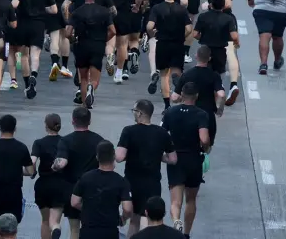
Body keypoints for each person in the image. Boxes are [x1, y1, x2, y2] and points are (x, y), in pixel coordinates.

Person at [115, 99, 176, 237]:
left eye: (134, 111)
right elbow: (173, 159)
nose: (133, 114)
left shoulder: (129, 131)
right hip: (153, 183)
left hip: (132, 182)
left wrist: (129, 153)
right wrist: (158, 155)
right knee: (148, 219)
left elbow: (119, 157)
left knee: (134, 220)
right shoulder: (162, 133)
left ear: (140, 113)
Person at [161, 82, 210, 235]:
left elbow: (162, 133)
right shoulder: (201, 114)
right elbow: (204, 139)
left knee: (176, 201)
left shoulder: (170, 112)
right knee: (191, 200)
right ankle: (186, 234)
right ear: (196, 96)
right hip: (193, 160)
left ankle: (176, 221)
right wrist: (206, 148)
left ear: (181, 94)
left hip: (175, 159)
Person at [53, 107, 105, 239]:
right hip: (94, 189)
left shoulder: (65, 141)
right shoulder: (99, 140)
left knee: (74, 229)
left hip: (72, 189)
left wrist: (54, 166)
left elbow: (62, 162)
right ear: (90, 121)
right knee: (92, 226)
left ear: (72, 121)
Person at [66, 0, 115, 109]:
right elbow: (113, 31)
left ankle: (84, 105)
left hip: (81, 45)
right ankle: (91, 88)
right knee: (94, 78)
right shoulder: (105, 12)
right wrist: (104, 39)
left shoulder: (77, 12)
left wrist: (73, 39)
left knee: (83, 78)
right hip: (98, 45)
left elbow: (67, 32)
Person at [70, 140, 131, 239]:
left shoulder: (85, 178)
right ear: (114, 156)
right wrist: (123, 218)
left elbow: (74, 202)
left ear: (97, 157)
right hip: (109, 230)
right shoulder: (121, 181)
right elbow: (127, 209)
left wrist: (88, 209)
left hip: (88, 230)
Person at [0, 115, 35, 230]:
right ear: (14, 129)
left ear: (0, 128)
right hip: (14, 191)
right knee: (12, 224)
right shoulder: (21, 147)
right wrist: (17, 169)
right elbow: (31, 171)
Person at [147, 0, 192, 111]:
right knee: (177, 71)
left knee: (163, 75)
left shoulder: (157, 8)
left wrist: (153, 33)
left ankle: (167, 105)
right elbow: (189, 28)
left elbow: (150, 26)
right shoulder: (181, 9)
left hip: (162, 43)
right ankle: (180, 94)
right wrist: (182, 35)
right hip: (177, 43)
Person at [31, 113, 70, 239]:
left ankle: (52, 230)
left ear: (46, 126)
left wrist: (33, 172)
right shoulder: (65, 142)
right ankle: (56, 228)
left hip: (43, 184)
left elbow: (32, 161)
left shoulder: (39, 143)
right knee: (55, 220)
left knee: (45, 221)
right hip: (60, 184)